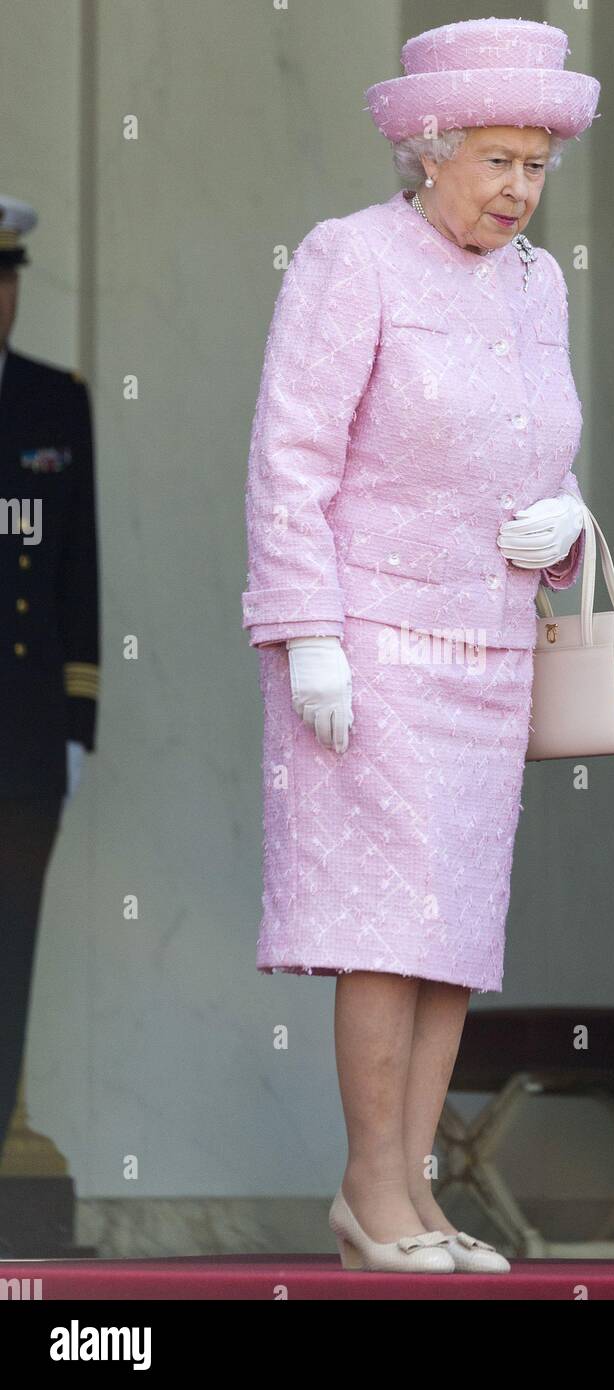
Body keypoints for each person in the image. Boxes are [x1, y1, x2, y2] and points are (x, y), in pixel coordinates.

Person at [241, 17, 600, 1274]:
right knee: (386, 928)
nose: (517, 188)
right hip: (374, 647)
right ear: (428, 151)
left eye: (536, 164)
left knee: (450, 943)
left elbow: (537, 453)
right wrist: (310, 638)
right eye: (496, 159)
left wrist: (569, 523)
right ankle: (365, 1190)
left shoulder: (537, 285)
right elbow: (291, 459)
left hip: (489, 655)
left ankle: (415, 1196)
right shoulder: (353, 261)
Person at [0, 194, 100, 1163]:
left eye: (6, 277)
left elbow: (79, 568)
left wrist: (77, 723)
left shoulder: (52, 401)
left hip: (24, 737)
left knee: (10, 953)